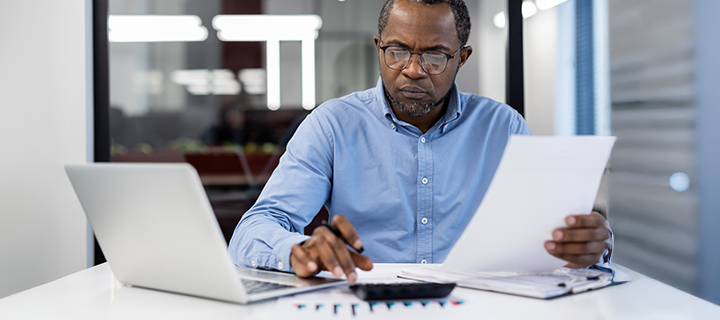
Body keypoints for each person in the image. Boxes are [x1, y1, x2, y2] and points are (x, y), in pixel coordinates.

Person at [229, 0, 612, 283]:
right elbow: (255, 228)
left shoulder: (503, 128)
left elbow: (548, 235)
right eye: (397, 51)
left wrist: (587, 246)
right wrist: (296, 250)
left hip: (479, 305)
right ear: (379, 46)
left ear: (462, 58)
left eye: (434, 55)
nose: (412, 70)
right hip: (363, 301)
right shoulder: (332, 125)